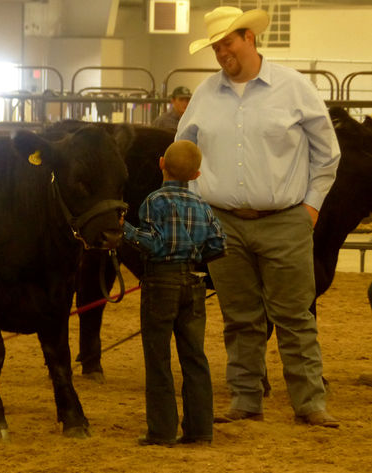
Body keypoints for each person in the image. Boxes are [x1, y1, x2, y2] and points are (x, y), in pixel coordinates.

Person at [176, 6, 341, 427]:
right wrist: (198, 201)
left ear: (250, 38)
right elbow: (182, 155)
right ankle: (246, 398)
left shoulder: (294, 87)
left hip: (285, 218)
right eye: (215, 47)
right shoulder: (204, 94)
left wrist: (310, 206)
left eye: (227, 43)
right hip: (223, 221)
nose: (221, 53)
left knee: (294, 315)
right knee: (240, 317)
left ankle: (309, 401)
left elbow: (328, 153)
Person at [123, 140, 226, 446]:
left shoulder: (154, 201)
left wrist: (125, 230)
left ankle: (162, 430)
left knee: (158, 359)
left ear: (161, 164)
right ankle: (199, 429)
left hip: (161, 283)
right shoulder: (201, 204)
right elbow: (219, 244)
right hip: (193, 283)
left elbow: (153, 243)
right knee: (195, 357)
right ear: (196, 175)